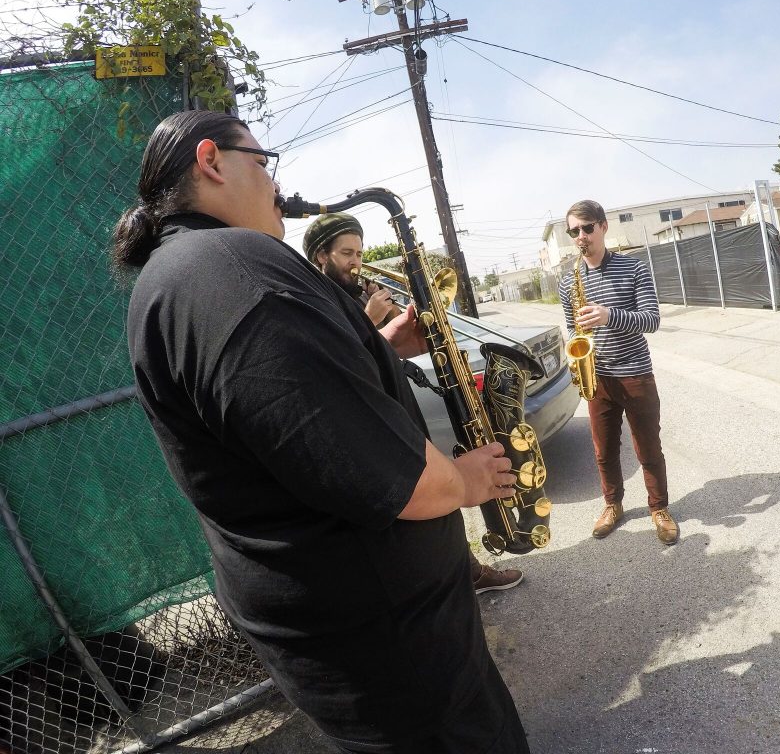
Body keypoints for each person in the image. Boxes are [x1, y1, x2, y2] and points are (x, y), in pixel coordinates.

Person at [114, 110, 530, 753]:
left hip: (351, 627)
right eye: (262, 159)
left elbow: (286, 417)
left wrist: (380, 347)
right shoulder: (237, 269)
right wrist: (469, 480)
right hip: (389, 636)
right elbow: (394, 480)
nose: (277, 183)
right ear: (211, 161)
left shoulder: (181, 276)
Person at [301, 212, 524, 595]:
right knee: (423, 501)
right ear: (321, 255)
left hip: (397, 404)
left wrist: (401, 330)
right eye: (346, 253)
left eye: (359, 252)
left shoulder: (354, 291)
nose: (356, 262)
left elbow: (378, 350)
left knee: (437, 492)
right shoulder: (314, 299)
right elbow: (336, 362)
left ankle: (464, 571)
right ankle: (454, 579)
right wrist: (371, 321)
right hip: (372, 421)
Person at [557, 200, 678, 546]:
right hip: (597, 378)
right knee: (603, 451)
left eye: (587, 227)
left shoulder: (634, 269)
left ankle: (659, 508)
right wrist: (577, 363)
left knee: (648, 447)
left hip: (636, 373)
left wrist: (610, 315)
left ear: (603, 226)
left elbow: (652, 320)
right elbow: (572, 329)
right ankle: (613, 505)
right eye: (573, 231)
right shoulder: (569, 283)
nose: (580, 236)